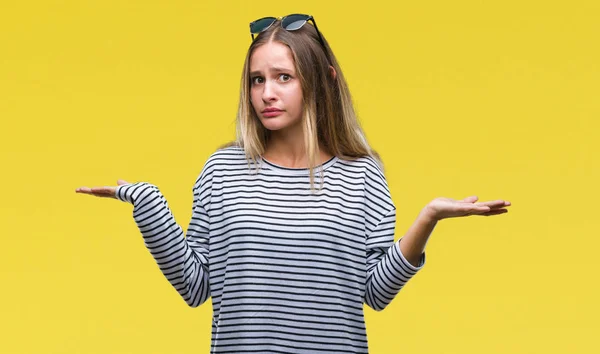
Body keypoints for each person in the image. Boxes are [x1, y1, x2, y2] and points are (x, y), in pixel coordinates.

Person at [76, 14, 511, 353]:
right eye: (257, 79)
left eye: (284, 77)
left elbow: (375, 293)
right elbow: (195, 285)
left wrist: (428, 218)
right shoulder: (223, 170)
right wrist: (148, 204)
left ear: (322, 80)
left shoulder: (361, 174)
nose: (267, 93)